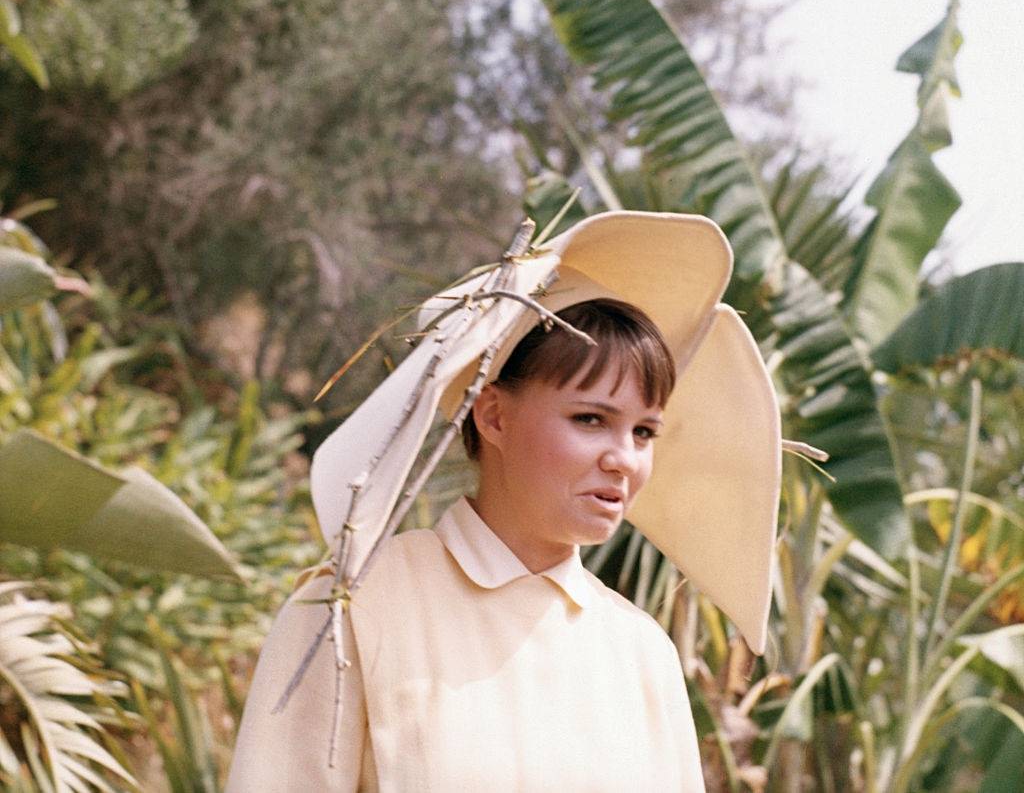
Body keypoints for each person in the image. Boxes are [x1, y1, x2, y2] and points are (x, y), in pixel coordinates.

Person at [226, 211, 782, 791]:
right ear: (493, 414)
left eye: (644, 432)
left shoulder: (642, 653)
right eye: (591, 419)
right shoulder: (352, 610)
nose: (624, 458)